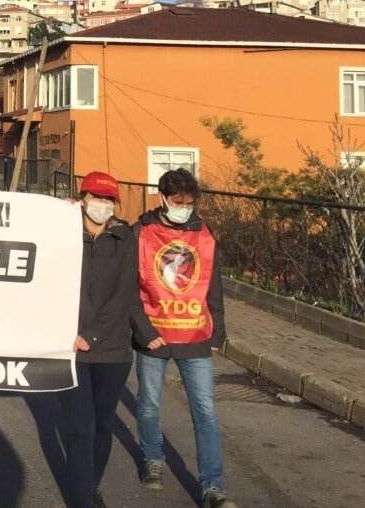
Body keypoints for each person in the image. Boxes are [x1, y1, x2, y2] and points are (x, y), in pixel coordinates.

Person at [130, 168, 235, 508]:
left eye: (189, 203)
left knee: (205, 410)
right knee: (149, 404)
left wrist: (218, 331)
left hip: (195, 334)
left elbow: (213, 284)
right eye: (178, 202)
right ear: (162, 198)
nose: (184, 208)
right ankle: (152, 459)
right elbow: (129, 286)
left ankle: (212, 485)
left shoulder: (204, 234)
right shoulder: (141, 232)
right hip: (154, 335)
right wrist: (143, 331)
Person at [57, 171, 136, 508]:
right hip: (69, 346)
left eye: (107, 199)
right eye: (95, 197)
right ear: (82, 197)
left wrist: (92, 334)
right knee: (80, 429)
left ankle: (91, 485)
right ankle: (81, 501)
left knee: (103, 424)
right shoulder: (62, 230)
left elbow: (124, 293)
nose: (101, 204)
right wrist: (56, 211)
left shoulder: (124, 237)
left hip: (112, 348)